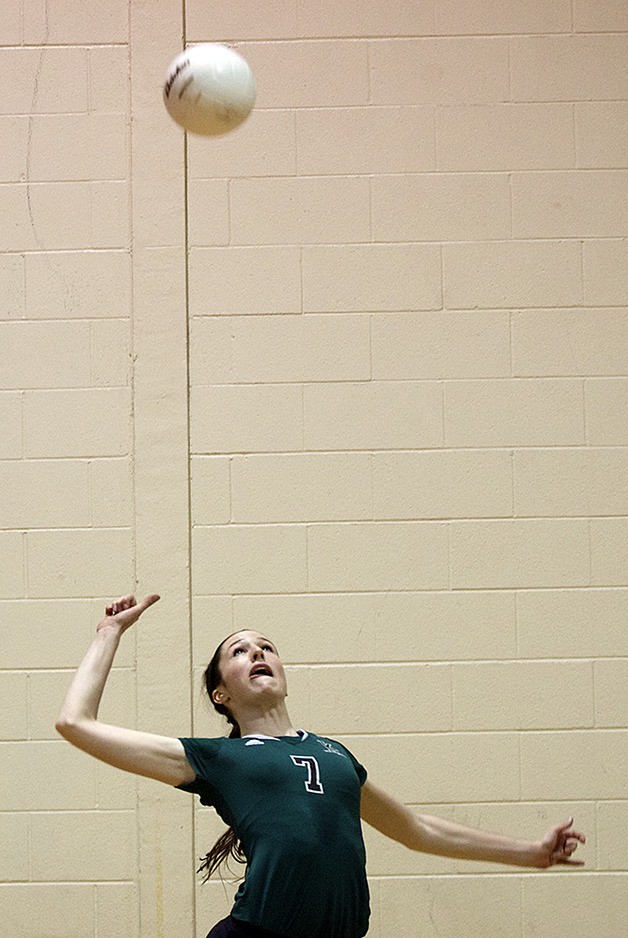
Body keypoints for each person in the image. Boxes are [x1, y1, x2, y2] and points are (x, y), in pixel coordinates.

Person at [56, 594, 586, 938]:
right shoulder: (219, 758)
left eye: (266, 647)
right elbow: (76, 723)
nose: (257, 653)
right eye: (238, 651)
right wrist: (109, 633)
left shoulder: (336, 754)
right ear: (221, 694)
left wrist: (530, 853)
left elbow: (417, 830)